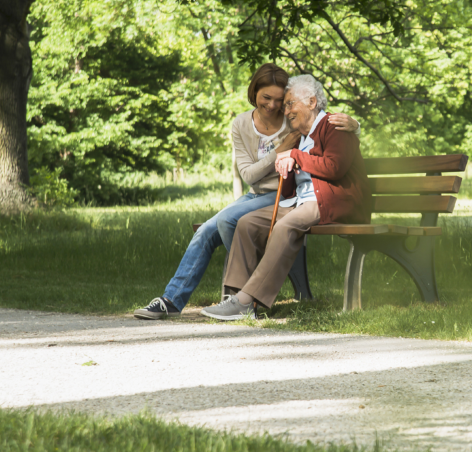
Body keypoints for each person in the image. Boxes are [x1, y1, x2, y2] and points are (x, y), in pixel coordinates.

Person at [134, 65, 358, 319]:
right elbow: (251, 175)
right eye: (269, 99)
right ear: (254, 93)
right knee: (231, 225)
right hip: (270, 196)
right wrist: (282, 153)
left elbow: (333, 145)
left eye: (283, 101)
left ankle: (243, 299)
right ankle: (175, 300)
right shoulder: (248, 123)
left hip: (293, 199)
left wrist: (355, 125)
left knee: (230, 219)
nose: (277, 107)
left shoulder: (297, 123)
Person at [201, 74, 371, 320]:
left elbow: (335, 167)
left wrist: (295, 157)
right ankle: (234, 296)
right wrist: (288, 161)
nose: (286, 110)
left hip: (332, 201)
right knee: (247, 223)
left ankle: (248, 301)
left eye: (291, 104)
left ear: (312, 102)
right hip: (301, 202)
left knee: (286, 225)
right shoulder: (300, 136)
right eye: (286, 105)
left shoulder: (335, 126)